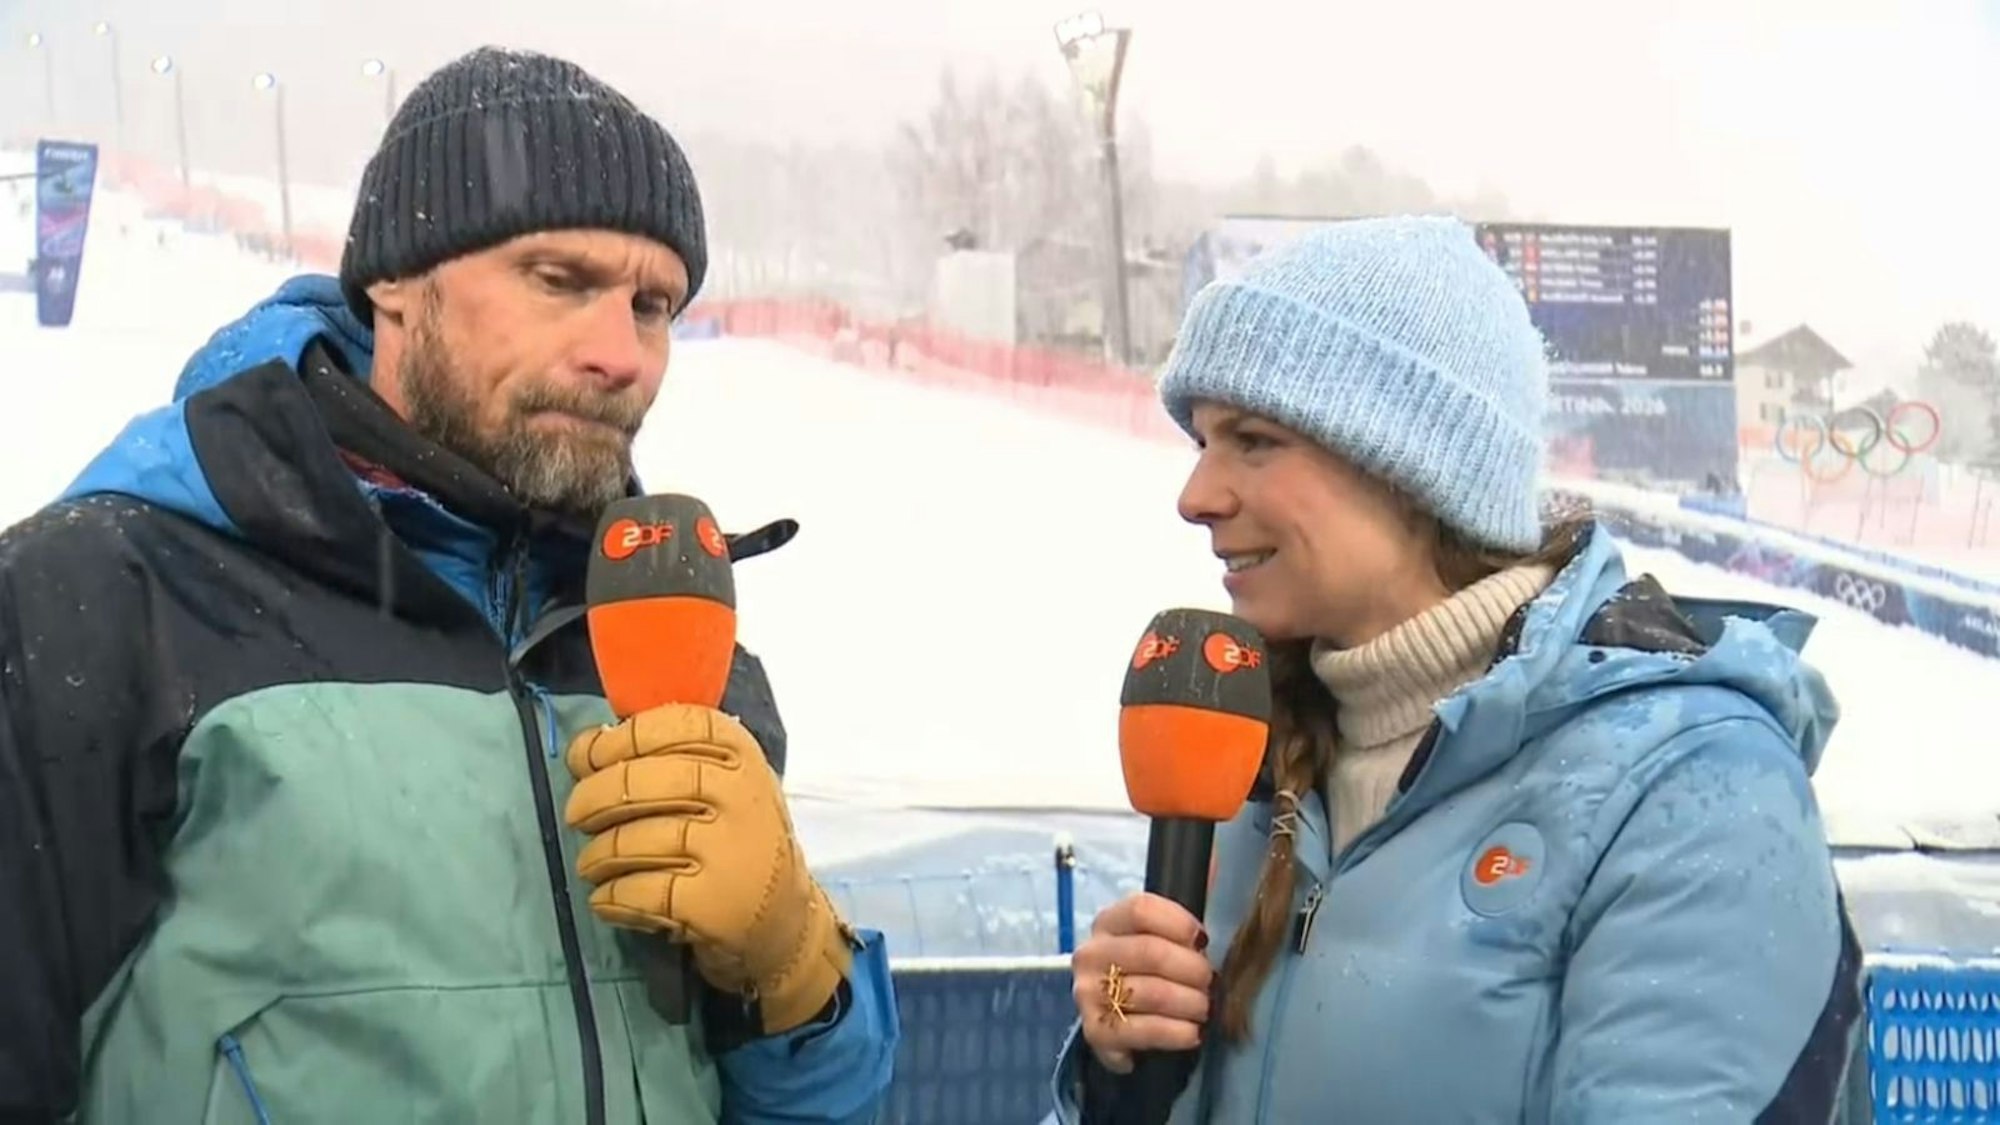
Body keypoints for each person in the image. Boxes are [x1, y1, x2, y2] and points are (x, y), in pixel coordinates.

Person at [0, 47, 897, 1125]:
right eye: (558, 281)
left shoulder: (679, 645)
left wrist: (798, 978)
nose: (620, 353)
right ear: (393, 281)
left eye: (653, 304)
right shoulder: (102, 600)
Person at [1052, 217, 1862, 1122]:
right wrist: (1124, 1079)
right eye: (1201, 443)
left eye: (1252, 439)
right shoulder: (1261, 768)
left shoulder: (1694, 788)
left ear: (1410, 467)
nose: (1196, 496)